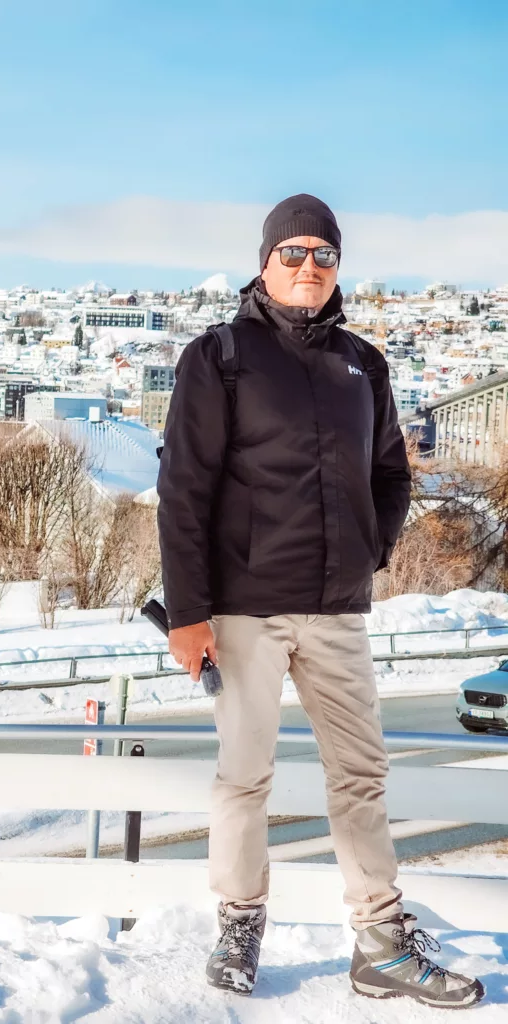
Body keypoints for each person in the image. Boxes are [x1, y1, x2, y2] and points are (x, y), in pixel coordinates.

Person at [156, 194, 484, 1009]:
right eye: (293, 251)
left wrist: (370, 552)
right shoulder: (221, 356)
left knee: (362, 775)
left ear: (339, 266)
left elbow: (391, 474)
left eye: (324, 254)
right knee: (245, 777)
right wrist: (189, 612)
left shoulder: (362, 364)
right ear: (265, 260)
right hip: (243, 608)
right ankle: (239, 923)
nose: (309, 266)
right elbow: (183, 490)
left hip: (337, 610)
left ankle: (379, 941)